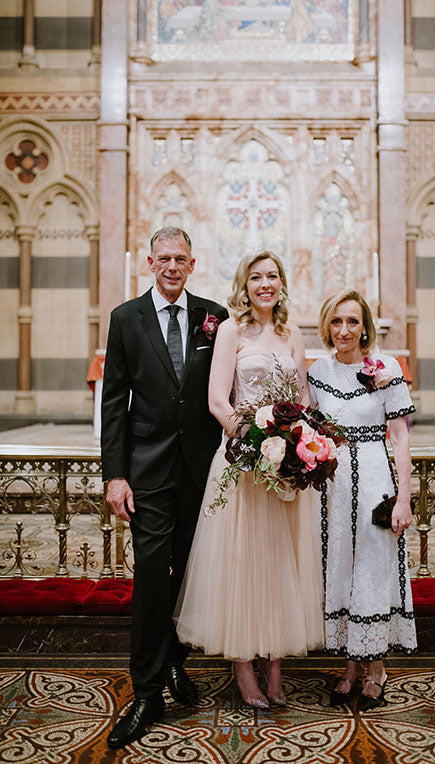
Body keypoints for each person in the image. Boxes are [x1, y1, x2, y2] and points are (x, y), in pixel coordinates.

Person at [174, 251, 324, 708]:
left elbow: (300, 396)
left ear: (281, 283)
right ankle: (243, 666)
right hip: (242, 462)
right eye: (256, 276)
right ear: (245, 283)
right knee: (241, 561)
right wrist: (256, 439)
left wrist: (296, 443)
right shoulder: (231, 330)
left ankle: (275, 666)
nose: (265, 284)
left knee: (280, 562)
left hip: (283, 467)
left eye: (272, 276)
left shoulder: (292, 333)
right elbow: (218, 400)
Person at [101, 226, 228, 749]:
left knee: (190, 570)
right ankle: (147, 691)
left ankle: (176, 661)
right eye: (164, 259)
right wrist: (114, 473)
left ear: (192, 264)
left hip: (201, 469)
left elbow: (227, 387)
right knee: (153, 573)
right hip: (148, 469)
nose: (172, 266)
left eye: (181, 259)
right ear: (150, 263)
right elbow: (113, 402)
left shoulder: (213, 316)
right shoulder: (125, 319)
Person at [308, 290, 417, 711]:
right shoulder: (318, 372)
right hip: (333, 486)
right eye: (336, 322)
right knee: (343, 566)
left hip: (375, 479)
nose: (344, 330)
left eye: (352, 322)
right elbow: (310, 428)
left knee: (373, 566)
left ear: (365, 326)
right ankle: (351, 667)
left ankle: (377, 669)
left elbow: (401, 436)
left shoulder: (386, 368)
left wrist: (403, 499)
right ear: (326, 326)